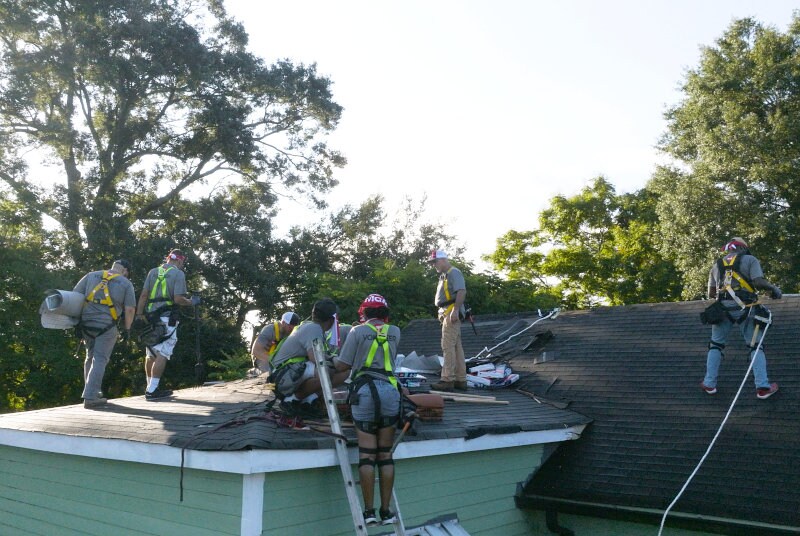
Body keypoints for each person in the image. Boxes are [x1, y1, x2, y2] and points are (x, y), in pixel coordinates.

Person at [334, 294, 401, 526]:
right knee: (385, 454)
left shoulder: (357, 332)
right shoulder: (395, 331)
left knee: (367, 455)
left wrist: (331, 358)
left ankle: (369, 512)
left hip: (364, 392)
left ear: (364, 313)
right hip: (390, 393)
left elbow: (343, 365)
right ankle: (386, 511)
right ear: (384, 313)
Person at [702, 237, 781, 399]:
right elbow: (758, 282)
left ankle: (709, 383)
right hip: (747, 307)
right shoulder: (750, 259)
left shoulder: (717, 265)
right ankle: (762, 387)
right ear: (743, 249)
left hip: (722, 309)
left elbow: (711, 293)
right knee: (755, 346)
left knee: (715, 345)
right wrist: (773, 289)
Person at [269, 298, 350, 416]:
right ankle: (291, 400)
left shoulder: (311, 327)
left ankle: (308, 400)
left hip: (286, 374)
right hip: (283, 377)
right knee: (327, 371)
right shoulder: (314, 328)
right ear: (331, 319)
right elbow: (316, 358)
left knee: (343, 372)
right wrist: (336, 361)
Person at [136, 249, 197, 400]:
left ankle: (150, 387)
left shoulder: (153, 272)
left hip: (151, 318)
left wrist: (139, 314)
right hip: (167, 318)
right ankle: (152, 390)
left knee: (151, 352)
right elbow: (178, 299)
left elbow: (144, 295)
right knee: (163, 352)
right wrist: (191, 302)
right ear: (180, 261)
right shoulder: (178, 274)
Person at [73, 260, 136, 408]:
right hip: (107, 326)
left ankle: (91, 391)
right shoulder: (126, 283)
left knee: (90, 356)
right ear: (125, 271)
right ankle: (90, 397)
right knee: (100, 359)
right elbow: (130, 309)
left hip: (86, 324)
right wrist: (127, 328)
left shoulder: (91, 275)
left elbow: (75, 294)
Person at [428, 249, 468, 392]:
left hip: (451, 311)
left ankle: (447, 379)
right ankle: (460, 379)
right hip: (447, 311)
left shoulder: (454, 272)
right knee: (456, 346)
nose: (434, 265)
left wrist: (455, 310)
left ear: (444, 259)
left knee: (447, 345)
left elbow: (461, 291)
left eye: (435, 262)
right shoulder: (445, 275)